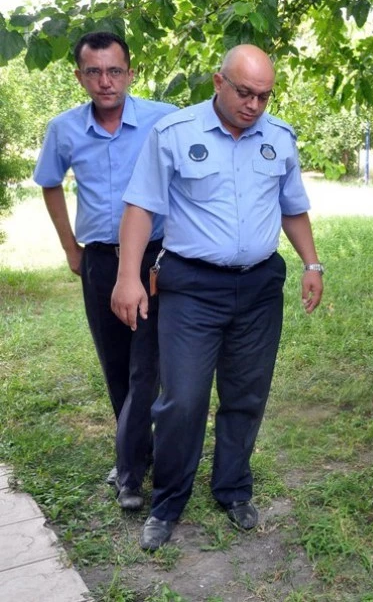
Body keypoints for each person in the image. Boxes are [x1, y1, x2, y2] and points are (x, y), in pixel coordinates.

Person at [111, 44, 324, 551]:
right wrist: (127, 276)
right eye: (245, 93)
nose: (254, 105)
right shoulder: (174, 134)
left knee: (246, 393)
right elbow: (140, 208)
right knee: (182, 399)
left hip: (259, 286)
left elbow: (292, 207)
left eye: (264, 96)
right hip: (191, 287)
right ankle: (167, 502)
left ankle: (232, 487)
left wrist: (311, 263)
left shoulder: (279, 138)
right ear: (218, 82)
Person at [33, 32, 177, 511]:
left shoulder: (163, 120)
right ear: (79, 76)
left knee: (145, 368)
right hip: (99, 261)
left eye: (115, 71)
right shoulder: (64, 129)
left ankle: (130, 474)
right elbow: (49, 183)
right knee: (116, 366)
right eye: (93, 72)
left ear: (130, 73)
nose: (105, 81)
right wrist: (70, 248)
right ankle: (136, 450)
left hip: (153, 259)